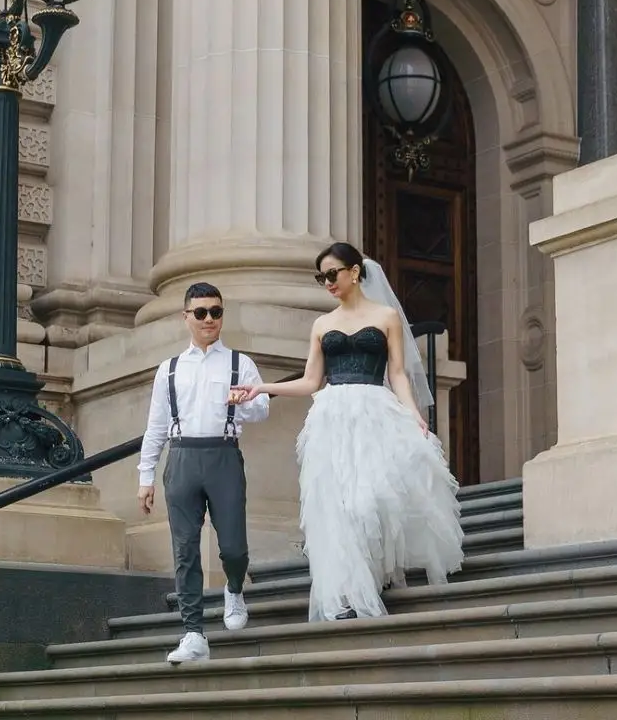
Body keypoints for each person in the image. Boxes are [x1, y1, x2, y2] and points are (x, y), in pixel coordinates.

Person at [234, 242, 464, 622]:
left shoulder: (387, 316)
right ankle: (348, 594)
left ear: (354, 271)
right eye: (320, 277)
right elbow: (311, 381)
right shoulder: (322, 324)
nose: (327, 283)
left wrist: (414, 415)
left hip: (375, 411)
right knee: (337, 508)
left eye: (332, 274)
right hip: (332, 416)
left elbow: (398, 374)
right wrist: (263, 388)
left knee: (370, 500)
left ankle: (372, 575)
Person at [137, 282, 269, 663]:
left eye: (216, 311)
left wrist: (246, 401)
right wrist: (145, 477)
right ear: (186, 318)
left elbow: (263, 412)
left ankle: (233, 587)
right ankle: (193, 632)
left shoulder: (239, 363)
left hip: (224, 456)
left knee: (233, 547)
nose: (209, 319)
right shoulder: (170, 369)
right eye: (201, 313)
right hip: (181, 459)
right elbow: (156, 426)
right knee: (185, 550)